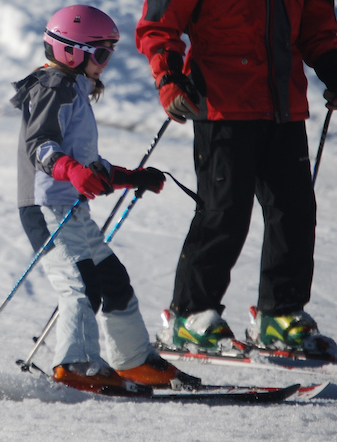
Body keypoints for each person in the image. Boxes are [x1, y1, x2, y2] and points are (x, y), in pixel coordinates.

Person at [10, 4, 200, 393]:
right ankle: (75, 364)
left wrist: (130, 177)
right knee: (80, 285)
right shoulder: (52, 88)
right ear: (70, 51)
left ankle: (133, 360)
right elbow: (40, 147)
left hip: (71, 208)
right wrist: (74, 172)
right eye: (100, 53)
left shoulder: (74, 90)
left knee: (113, 281)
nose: (106, 62)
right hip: (45, 207)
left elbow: (88, 164)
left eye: (109, 53)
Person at [135, 0, 337, 356]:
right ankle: (190, 316)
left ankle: (280, 314)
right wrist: (168, 78)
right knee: (224, 212)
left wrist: (333, 67)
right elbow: (158, 26)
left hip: (282, 105)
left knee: (296, 212)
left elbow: (319, 30)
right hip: (221, 105)